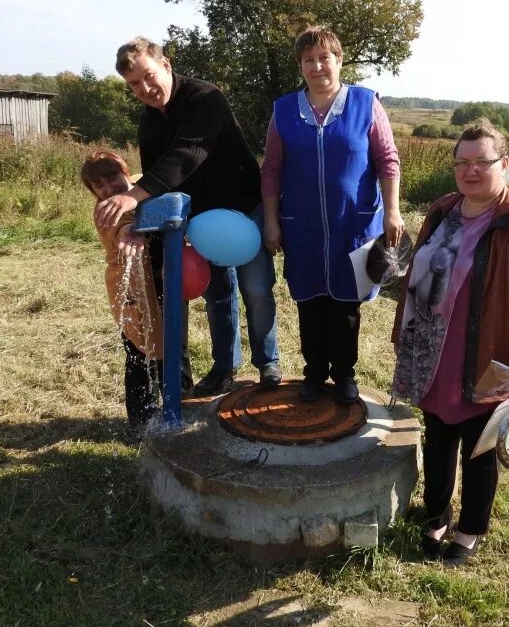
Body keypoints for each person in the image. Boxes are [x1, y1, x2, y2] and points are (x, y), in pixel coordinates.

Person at [391, 121, 509, 567]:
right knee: (439, 434)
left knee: (479, 447)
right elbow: (414, 278)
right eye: (462, 162)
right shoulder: (442, 210)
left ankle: (470, 529)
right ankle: (438, 512)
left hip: (489, 357)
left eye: (481, 162)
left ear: (504, 164)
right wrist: (400, 335)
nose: (470, 171)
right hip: (434, 351)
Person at [96, 37, 281, 397]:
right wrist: (138, 225)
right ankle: (224, 368)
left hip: (247, 210)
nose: (146, 88)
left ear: (165, 65)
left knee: (256, 289)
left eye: (149, 76)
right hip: (203, 221)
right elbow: (158, 178)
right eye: (134, 84)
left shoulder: (205, 97)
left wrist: (131, 198)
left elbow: (186, 154)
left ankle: (268, 364)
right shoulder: (149, 123)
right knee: (218, 295)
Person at [261, 27, 403, 404]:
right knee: (309, 303)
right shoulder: (284, 111)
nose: (317, 66)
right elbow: (272, 169)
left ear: (339, 61)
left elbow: (387, 161)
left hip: (353, 224)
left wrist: (393, 210)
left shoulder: (364, 103)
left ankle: (343, 376)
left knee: (345, 306)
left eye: (324, 58)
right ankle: (313, 373)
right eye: (309, 60)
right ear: (301, 66)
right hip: (302, 226)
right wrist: (272, 221)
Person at [81, 150, 191, 437]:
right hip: (132, 291)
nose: (108, 190)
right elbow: (120, 228)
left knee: (176, 344)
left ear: (126, 173)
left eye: (113, 178)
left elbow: (162, 186)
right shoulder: (105, 209)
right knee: (139, 352)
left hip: (168, 281)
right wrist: (132, 229)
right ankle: (141, 420)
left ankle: (182, 404)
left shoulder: (145, 188)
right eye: (99, 186)